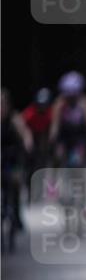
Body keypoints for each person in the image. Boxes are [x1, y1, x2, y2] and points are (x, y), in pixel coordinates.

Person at [1, 88, 34, 240]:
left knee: (14, 184)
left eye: (3, 104)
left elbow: (25, 133)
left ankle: (16, 214)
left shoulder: (14, 118)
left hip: (11, 159)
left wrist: (28, 143)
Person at [49, 71, 86, 167]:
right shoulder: (59, 103)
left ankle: (78, 174)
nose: (71, 99)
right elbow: (55, 123)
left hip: (79, 134)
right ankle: (54, 175)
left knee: (78, 161)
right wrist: (52, 136)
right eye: (68, 96)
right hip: (64, 134)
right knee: (58, 156)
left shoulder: (85, 102)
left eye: (73, 96)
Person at [21, 87, 53, 194]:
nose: (42, 107)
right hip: (31, 135)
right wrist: (27, 139)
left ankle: (42, 186)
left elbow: (51, 128)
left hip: (43, 136)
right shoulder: (30, 112)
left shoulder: (50, 113)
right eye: (40, 104)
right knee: (29, 164)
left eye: (44, 104)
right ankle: (28, 185)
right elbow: (22, 126)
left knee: (42, 162)